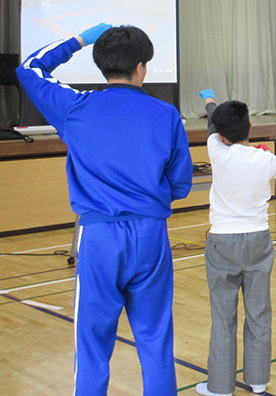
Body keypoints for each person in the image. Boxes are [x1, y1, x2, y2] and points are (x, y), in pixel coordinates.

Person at [17, 24, 193, 395]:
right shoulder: (167, 114)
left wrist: (80, 40)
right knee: (156, 339)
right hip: (151, 235)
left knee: (92, 345)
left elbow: (29, 67)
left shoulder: (75, 108)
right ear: (142, 66)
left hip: (98, 238)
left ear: (100, 65)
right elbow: (181, 184)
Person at [195, 91, 276, 396]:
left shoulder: (217, 150)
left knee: (223, 317)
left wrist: (210, 101)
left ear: (221, 135)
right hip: (258, 240)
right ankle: (258, 380)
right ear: (251, 126)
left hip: (222, 241)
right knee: (259, 312)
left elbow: (214, 124)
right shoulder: (265, 158)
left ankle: (220, 387)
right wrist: (266, 155)